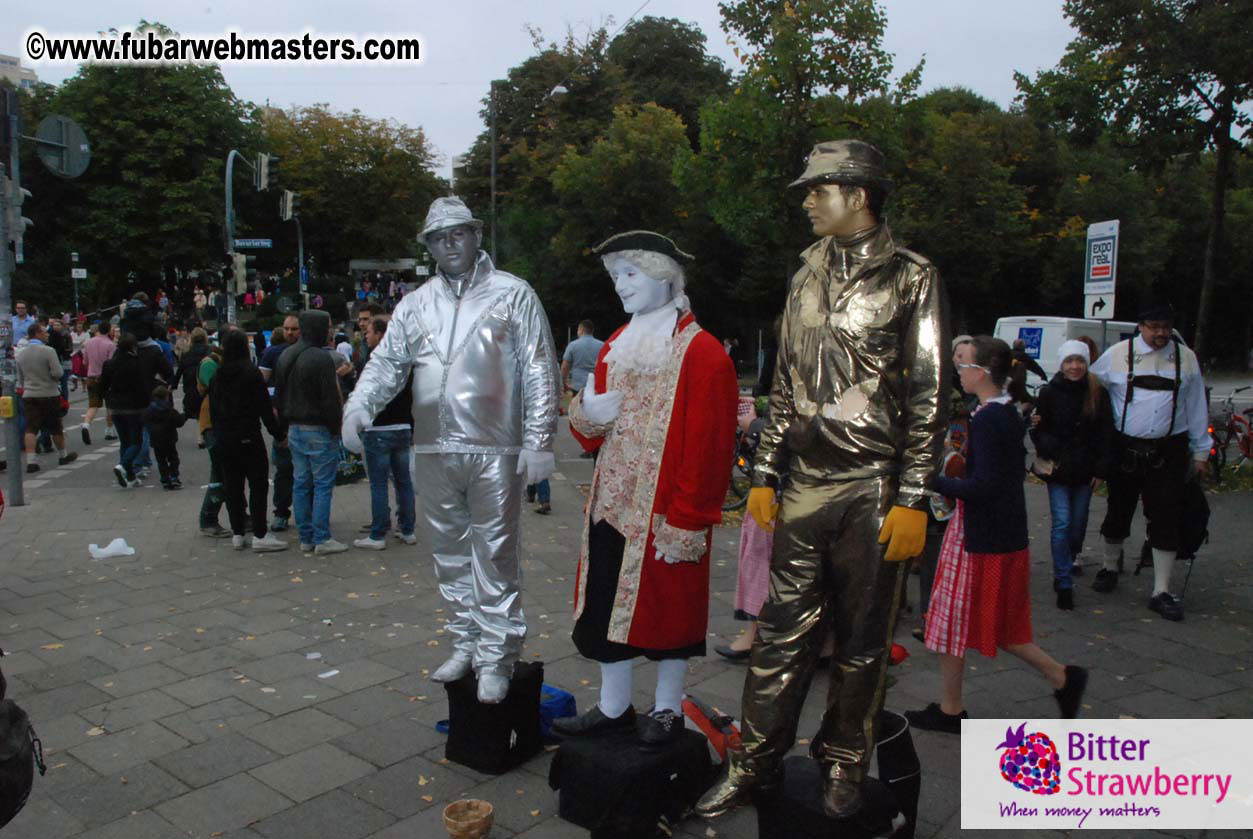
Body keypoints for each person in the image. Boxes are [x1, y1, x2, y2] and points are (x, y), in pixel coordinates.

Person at [698, 140, 949, 821]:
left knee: (863, 643)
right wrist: (765, 471)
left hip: (873, 486)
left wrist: (913, 496)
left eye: (820, 188)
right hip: (804, 485)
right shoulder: (805, 273)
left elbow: (929, 395)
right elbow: (784, 383)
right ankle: (753, 761)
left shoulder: (912, 276)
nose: (808, 200)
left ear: (857, 195)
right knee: (779, 633)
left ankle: (843, 760)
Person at [341, 196, 560, 704]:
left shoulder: (513, 293)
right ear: (430, 246)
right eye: (439, 238)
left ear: (476, 235)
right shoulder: (416, 304)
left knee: (496, 553)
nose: (449, 244)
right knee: (449, 555)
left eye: (457, 233)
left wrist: (539, 439)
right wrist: (359, 406)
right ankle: (466, 640)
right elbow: (387, 363)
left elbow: (538, 366)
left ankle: (497, 655)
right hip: (433, 449)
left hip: (494, 447)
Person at [554, 230, 737, 746]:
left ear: (664, 276)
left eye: (630, 274)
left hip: (666, 511)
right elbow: (589, 434)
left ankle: (667, 708)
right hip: (609, 505)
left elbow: (710, 447)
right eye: (616, 277)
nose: (621, 286)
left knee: (668, 613)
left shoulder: (704, 354)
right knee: (604, 606)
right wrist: (588, 413)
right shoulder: (616, 342)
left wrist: (688, 519)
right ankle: (613, 707)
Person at [904, 336, 1088, 733]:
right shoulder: (1002, 411)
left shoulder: (988, 418)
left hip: (981, 537)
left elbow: (984, 486)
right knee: (985, 624)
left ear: (983, 372)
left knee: (962, 622)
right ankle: (1057, 678)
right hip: (997, 534)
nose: (959, 370)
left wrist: (933, 482)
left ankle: (1054, 678)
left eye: (964, 364)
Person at [1089, 302, 1210, 622]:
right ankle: (1109, 567)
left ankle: (1161, 590)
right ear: (1140, 326)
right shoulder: (1117, 354)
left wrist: (1201, 451)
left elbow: (1197, 405)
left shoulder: (1186, 358)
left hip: (1169, 450)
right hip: (1125, 449)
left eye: (1166, 327)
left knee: (1166, 516)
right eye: (1154, 327)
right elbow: (1090, 388)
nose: (1161, 333)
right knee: (1118, 510)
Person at [1029, 340, 1114, 610]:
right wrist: (1049, 446)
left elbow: (1106, 433)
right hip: (1058, 470)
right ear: (1061, 364)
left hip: (1086, 471)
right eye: (1069, 361)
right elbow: (1038, 430)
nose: (1074, 366)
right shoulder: (1049, 392)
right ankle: (1063, 580)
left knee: (1077, 524)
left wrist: (1101, 469)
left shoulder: (1097, 393)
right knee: (1062, 523)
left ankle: (1070, 556)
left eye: (1079, 361)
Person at [274, 310, 346, 555]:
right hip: (319, 428)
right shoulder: (321, 358)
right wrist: (336, 428)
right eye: (328, 326)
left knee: (301, 483)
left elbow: (279, 396)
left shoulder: (286, 355)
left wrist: (282, 429)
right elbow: (330, 399)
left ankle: (306, 537)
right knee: (323, 484)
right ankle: (322, 538)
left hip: (294, 427)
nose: (330, 331)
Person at [211, 330, 287, 552]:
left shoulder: (218, 374)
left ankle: (237, 532)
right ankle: (260, 534)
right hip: (248, 435)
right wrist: (278, 434)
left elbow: (213, 408)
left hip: (224, 437)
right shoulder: (251, 374)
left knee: (232, 486)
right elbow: (264, 409)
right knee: (257, 485)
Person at [352, 315, 416, 551]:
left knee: (378, 484)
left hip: (378, 428)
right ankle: (407, 529)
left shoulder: (375, 362)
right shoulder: (406, 361)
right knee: (403, 481)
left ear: (380, 335)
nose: (366, 336)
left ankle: (377, 534)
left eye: (369, 332)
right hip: (402, 426)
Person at [15, 322, 78, 472]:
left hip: (30, 394)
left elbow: (20, 378)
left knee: (31, 428)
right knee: (55, 427)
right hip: (49, 393)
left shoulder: (21, 354)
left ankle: (31, 461)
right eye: (44, 332)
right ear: (37, 333)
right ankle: (63, 455)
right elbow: (58, 373)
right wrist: (50, 378)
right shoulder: (49, 351)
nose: (47, 334)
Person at [260, 315, 299, 531]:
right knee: (284, 469)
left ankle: (307, 513)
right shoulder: (272, 353)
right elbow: (260, 385)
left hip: (304, 419)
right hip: (283, 421)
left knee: (306, 472)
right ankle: (281, 512)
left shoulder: (309, 352)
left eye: (294, 328)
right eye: (287, 328)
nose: (290, 332)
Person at [99, 333, 147, 487]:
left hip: (116, 406)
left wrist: (108, 398)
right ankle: (123, 465)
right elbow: (142, 386)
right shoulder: (136, 363)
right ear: (133, 347)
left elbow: (103, 385)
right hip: (134, 406)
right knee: (136, 442)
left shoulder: (109, 364)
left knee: (124, 441)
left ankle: (130, 477)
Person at [197, 339, 231, 537]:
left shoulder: (221, 361)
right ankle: (208, 518)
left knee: (229, 473)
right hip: (213, 423)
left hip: (221, 422)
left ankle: (239, 515)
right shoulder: (210, 363)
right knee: (220, 473)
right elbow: (220, 389)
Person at [141, 385, 187, 490]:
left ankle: (165, 479)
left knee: (161, 461)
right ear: (166, 396)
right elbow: (179, 422)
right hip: (169, 438)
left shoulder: (149, 410)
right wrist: (184, 416)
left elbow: (144, 421)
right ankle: (174, 477)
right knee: (173, 459)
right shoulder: (169, 409)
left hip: (156, 439)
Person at [81, 321, 117, 443]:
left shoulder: (88, 343)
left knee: (93, 405)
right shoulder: (111, 345)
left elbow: (85, 362)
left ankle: (86, 425)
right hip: (106, 378)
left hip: (91, 376)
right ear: (109, 330)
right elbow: (111, 364)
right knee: (110, 405)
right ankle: (109, 430)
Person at [561, 319, 603, 395]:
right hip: (596, 387)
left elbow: (564, 367)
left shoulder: (572, 345)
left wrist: (563, 383)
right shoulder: (602, 345)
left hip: (578, 387)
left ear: (581, 330)